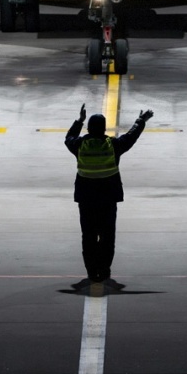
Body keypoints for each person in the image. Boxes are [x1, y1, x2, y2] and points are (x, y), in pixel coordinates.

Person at [66, 103, 154, 288]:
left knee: (88, 236)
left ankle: (92, 272)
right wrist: (141, 120)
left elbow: (68, 138)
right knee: (107, 236)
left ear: (88, 128)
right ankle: (104, 271)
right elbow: (131, 137)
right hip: (107, 199)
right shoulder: (113, 145)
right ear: (104, 128)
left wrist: (79, 121)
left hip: (86, 199)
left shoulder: (80, 145)